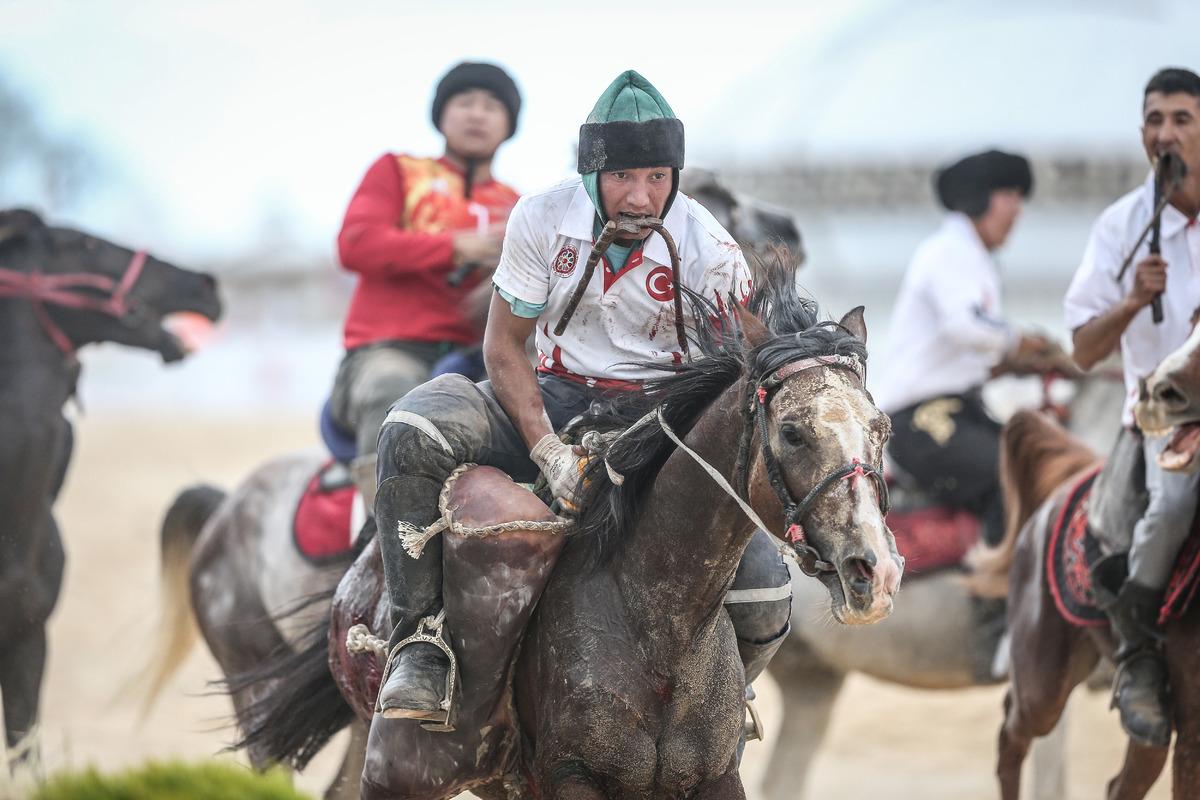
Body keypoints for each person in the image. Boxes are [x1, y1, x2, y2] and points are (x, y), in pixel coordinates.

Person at [371, 70, 792, 726]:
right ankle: (418, 645)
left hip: (664, 419)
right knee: (414, 424)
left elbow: (749, 366)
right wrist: (545, 447)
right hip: (556, 394)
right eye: (623, 177)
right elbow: (505, 348)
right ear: (592, 172)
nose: (641, 196)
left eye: (657, 177)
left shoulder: (710, 246)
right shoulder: (540, 216)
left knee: (766, 589)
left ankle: (723, 702)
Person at [1063, 66, 1200, 748]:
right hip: (1163, 415)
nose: (1165, 133)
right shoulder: (1119, 225)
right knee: (1173, 506)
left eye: (1181, 118)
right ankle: (1140, 649)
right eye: (1155, 120)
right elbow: (1085, 351)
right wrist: (1130, 302)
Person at [328, 61, 522, 505]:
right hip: (388, 351)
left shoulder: (517, 204)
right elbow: (356, 244)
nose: (477, 114)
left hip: (481, 357)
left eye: (492, 105)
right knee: (391, 388)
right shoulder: (397, 171)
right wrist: (457, 248)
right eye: (464, 102)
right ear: (441, 114)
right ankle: (381, 541)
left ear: (509, 124)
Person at [876, 149, 1062, 547]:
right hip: (921, 421)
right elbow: (965, 326)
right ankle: (995, 601)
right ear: (982, 197)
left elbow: (970, 350)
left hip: (962, 412)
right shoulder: (949, 252)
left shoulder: (972, 258)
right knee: (1012, 477)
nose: (1018, 210)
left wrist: (1018, 361)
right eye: (1010, 194)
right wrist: (1021, 340)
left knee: (1041, 464)